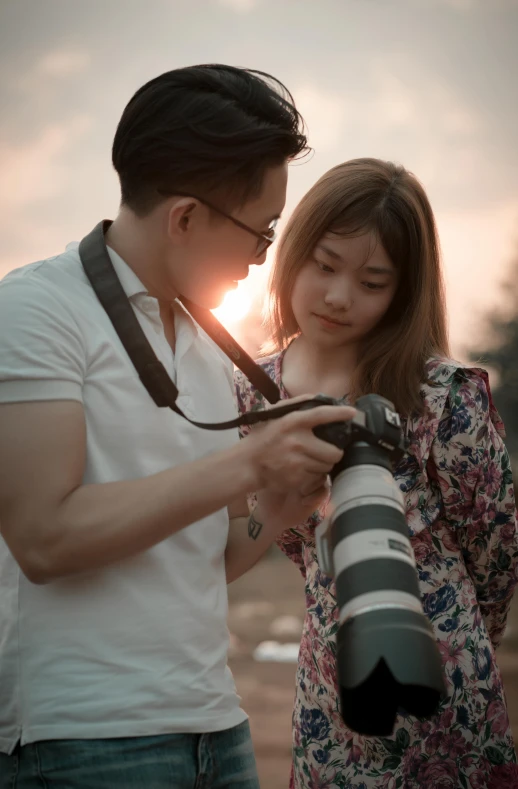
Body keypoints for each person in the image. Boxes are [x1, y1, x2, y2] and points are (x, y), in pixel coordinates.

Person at [0, 65, 357, 789]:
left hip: (215, 723)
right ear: (186, 217)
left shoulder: (201, 342)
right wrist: (249, 465)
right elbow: (42, 536)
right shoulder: (36, 311)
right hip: (84, 736)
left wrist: (281, 505)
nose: (262, 259)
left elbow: (213, 554)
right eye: (260, 233)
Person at [235, 158, 518, 789]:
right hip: (329, 682)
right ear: (294, 254)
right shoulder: (248, 395)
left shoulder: (442, 395)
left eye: (372, 280)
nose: (338, 296)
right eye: (325, 265)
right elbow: (247, 537)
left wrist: (456, 638)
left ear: (403, 290)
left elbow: (497, 556)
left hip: (445, 686)